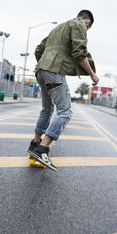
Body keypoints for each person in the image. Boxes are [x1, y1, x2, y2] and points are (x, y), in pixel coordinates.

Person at [28, 10, 99, 171]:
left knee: (47, 110)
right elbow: (79, 53)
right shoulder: (79, 24)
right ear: (87, 22)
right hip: (54, 71)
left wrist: (45, 65)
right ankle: (42, 149)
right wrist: (93, 75)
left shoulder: (58, 28)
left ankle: (34, 145)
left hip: (41, 71)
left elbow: (38, 50)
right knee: (65, 112)